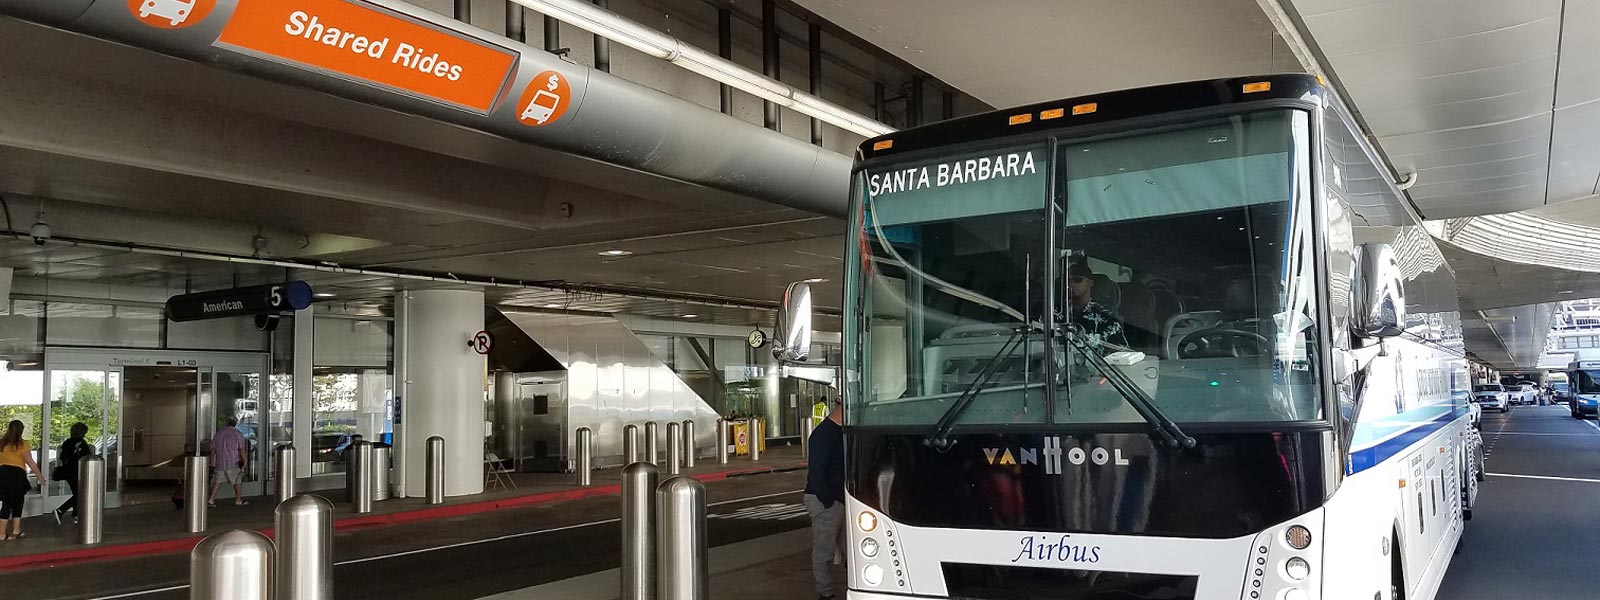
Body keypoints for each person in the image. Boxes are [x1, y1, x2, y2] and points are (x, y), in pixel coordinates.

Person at [803, 399, 846, 600]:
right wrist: (830, 501)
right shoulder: (823, 435)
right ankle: (825, 592)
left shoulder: (842, 432)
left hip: (839, 498)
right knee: (824, 549)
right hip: (825, 500)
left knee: (845, 548)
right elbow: (817, 474)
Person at [0, 420, 46, 540]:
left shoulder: (2, 443)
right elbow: (30, 462)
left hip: (3, 474)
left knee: (7, 502)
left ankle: (10, 531)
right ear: (21, 431)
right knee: (17, 502)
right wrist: (40, 476)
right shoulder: (22, 444)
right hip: (17, 475)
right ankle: (9, 531)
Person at [1065, 262, 1126, 351]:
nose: (1071, 284)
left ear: (1090, 282)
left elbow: (1122, 355)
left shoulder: (1106, 318)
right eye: (1067, 281)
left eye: (1077, 280)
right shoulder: (1054, 313)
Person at [53, 422, 93, 523]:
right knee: (80, 493)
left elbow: (62, 457)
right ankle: (61, 510)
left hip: (68, 471)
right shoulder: (82, 443)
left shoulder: (67, 442)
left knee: (77, 492)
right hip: (78, 471)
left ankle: (76, 514)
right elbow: (87, 457)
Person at [207, 417, 249, 507]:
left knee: (217, 480)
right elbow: (241, 449)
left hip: (220, 462)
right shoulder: (238, 434)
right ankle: (238, 500)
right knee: (237, 480)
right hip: (233, 462)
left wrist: (212, 461)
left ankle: (211, 500)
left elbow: (212, 448)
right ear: (235, 424)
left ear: (226, 424)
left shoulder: (219, 433)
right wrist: (245, 461)